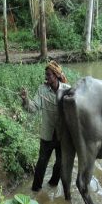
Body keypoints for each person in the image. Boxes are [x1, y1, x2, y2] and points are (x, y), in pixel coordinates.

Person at [20, 60, 70, 192]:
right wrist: (25, 100)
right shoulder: (42, 90)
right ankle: (35, 190)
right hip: (47, 134)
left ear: (56, 75)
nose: (46, 77)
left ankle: (52, 185)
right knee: (41, 163)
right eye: (46, 75)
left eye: (48, 75)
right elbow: (33, 108)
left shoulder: (67, 90)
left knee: (60, 163)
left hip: (62, 136)